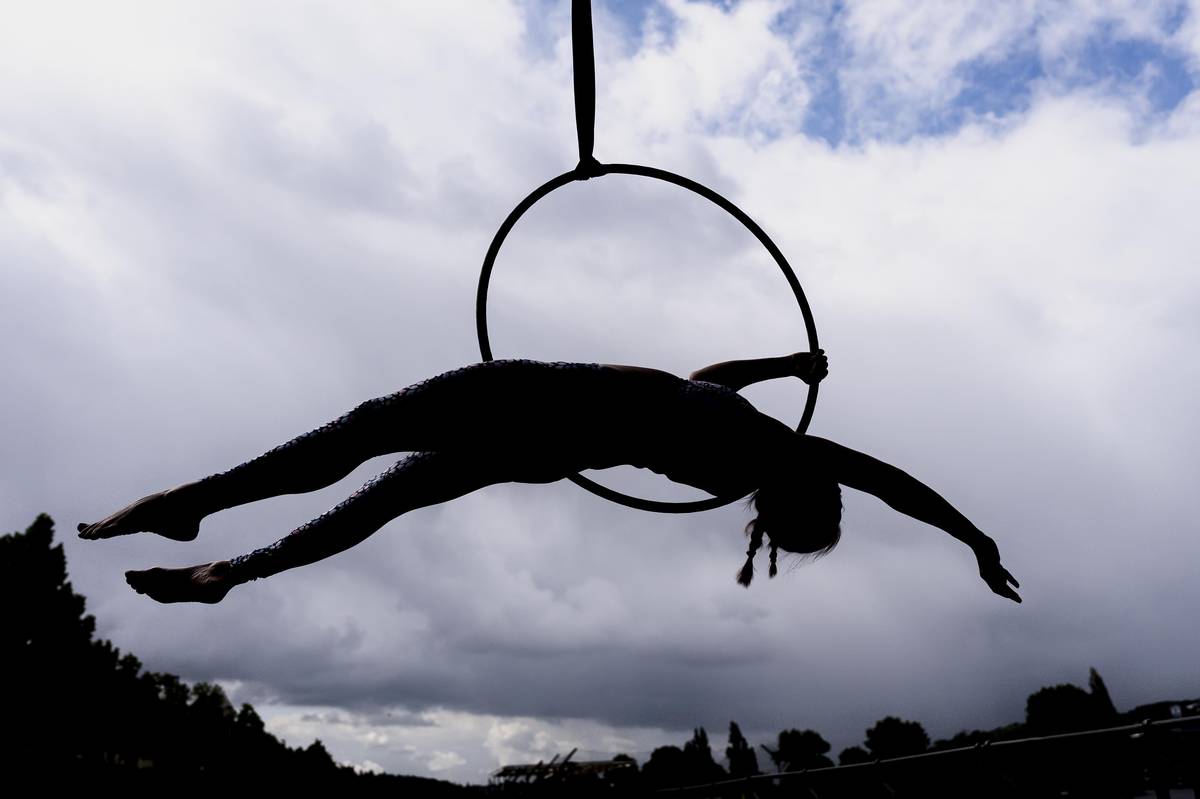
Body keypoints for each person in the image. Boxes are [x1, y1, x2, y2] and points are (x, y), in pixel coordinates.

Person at [77, 354, 1020, 605]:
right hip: (540, 450)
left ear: (809, 495)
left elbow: (901, 483)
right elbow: (709, 382)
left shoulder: (785, 454)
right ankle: (223, 574)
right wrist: (785, 366)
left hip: (534, 401)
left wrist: (974, 538)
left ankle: (192, 507)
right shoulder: (753, 457)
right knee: (381, 493)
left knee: (359, 439)